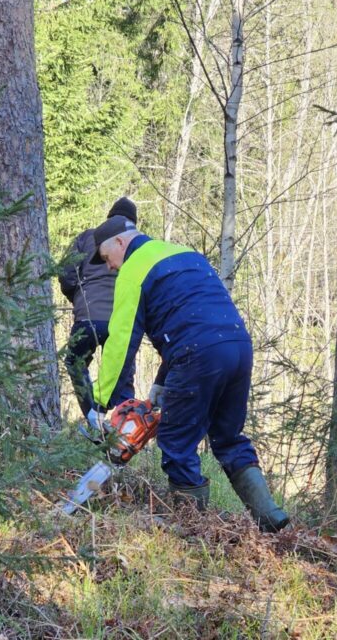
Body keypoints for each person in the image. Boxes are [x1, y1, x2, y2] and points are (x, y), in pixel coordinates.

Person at [90, 213, 289, 532]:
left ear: (119, 241)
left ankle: (191, 528)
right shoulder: (185, 254)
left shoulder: (134, 268)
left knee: (176, 440)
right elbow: (195, 319)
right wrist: (159, 386)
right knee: (228, 437)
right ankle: (270, 517)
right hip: (238, 347)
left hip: (198, 354)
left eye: (106, 258)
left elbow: (122, 341)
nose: (110, 267)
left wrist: (100, 400)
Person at [58, 197, 139, 428]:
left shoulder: (87, 237)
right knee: (124, 375)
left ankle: (93, 418)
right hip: (122, 323)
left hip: (88, 317)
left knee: (76, 362)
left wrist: (78, 298)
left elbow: (66, 273)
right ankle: (125, 431)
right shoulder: (136, 244)